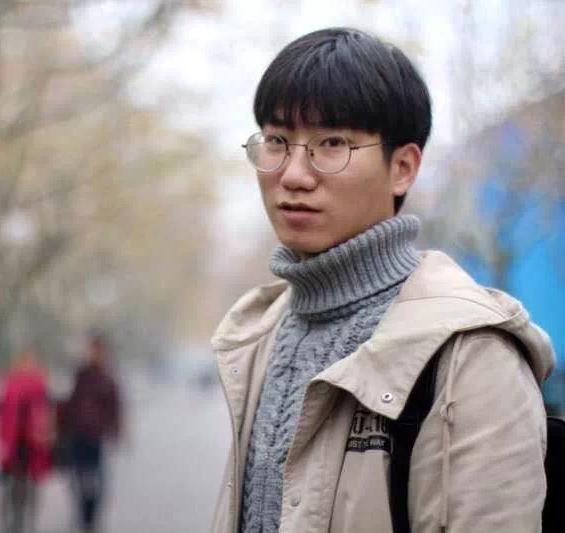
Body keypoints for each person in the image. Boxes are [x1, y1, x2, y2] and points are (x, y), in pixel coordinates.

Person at [210, 27, 555, 533]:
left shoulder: (472, 358)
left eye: (332, 143)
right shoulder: (258, 337)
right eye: (277, 141)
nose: (294, 175)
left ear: (403, 168)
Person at [64, 333, 123, 533]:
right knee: (79, 481)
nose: (94, 354)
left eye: (98, 350)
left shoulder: (108, 378)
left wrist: (116, 431)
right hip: (78, 435)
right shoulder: (81, 375)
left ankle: (91, 520)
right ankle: (83, 517)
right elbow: (70, 403)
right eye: (92, 350)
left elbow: (115, 407)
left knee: (96, 483)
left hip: (96, 438)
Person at [0, 349, 53, 533]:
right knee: (13, 484)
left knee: (30, 484)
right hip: (14, 440)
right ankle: (14, 520)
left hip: (33, 441)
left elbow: (45, 412)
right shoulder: (10, 383)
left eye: (30, 361)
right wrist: (0, 440)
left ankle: (26, 521)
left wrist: (45, 434)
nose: (27, 365)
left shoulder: (40, 384)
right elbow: (3, 412)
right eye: (24, 361)